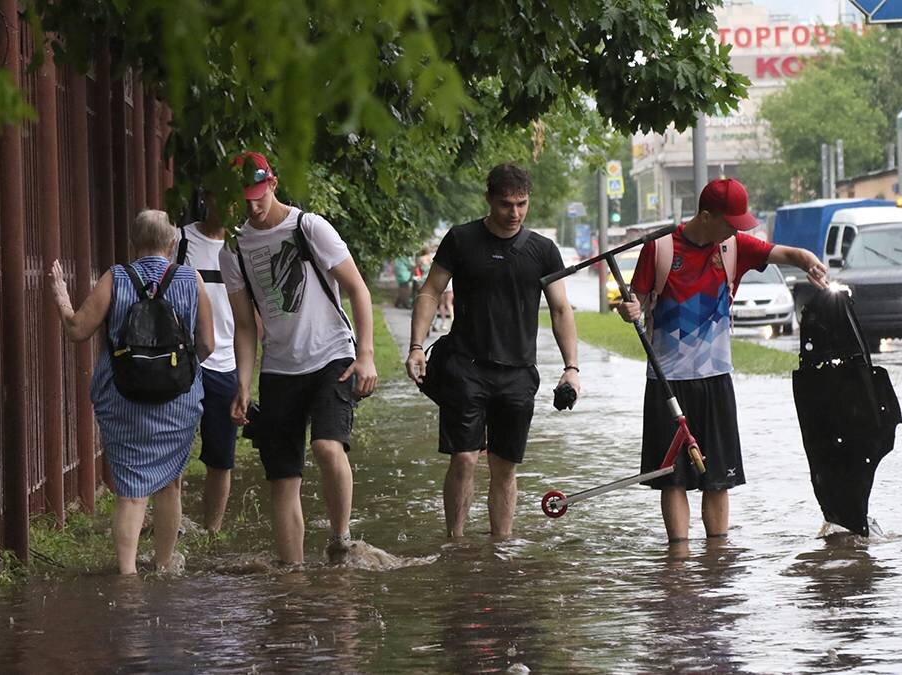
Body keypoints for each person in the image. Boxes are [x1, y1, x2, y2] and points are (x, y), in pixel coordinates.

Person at [615, 178, 828, 543]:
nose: (735, 230)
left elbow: (786, 254)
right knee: (673, 478)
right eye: (730, 222)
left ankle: (717, 560)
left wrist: (806, 258)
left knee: (718, 479)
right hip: (667, 382)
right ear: (705, 216)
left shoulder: (734, 247)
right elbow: (634, 300)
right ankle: (678, 561)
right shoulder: (661, 247)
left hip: (716, 379)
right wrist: (628, 308)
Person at [406, 163, 580, 539]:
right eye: (505, 204)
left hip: (518, 372)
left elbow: (561, 309)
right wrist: (417, 345)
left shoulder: (543, 251)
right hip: (465, 366)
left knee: (504, 467)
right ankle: (456, 543)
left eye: (521, 204)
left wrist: (572, 368)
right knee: (465, 458)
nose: (514, 213)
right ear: (488, 199)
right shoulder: (461, 239)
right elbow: (431, 290)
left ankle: (500, 548)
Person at [219, 152, 378, 564]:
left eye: (258, 195)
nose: (253, 206)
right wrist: (242, 383)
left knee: (327, 447)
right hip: (279, 370)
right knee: (282, 477)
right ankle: (291, 576)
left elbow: (358, 289)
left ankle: (341, 540)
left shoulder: (309, 227)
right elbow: (245, 326)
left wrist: (367, 355)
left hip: (332, 357)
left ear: (272, 183)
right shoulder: (234, 249)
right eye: (245, 199)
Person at [49, 209, 215, 574]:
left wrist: (61, 296)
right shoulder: (191, 279)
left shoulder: (116, 277)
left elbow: (77, 329)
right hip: (178, 402)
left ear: (133, 244)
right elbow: (207, 345)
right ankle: (164, 565)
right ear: (172, 244)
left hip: (122, 398)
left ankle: (127, 575)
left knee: (131, 489)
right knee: (170, 483)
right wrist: (175, 374)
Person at [177, 190, 239, 532]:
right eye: (223, 197)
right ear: (208, 199)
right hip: (182, 361)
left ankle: (211, 531)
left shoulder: (242, 247)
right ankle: (174, 523)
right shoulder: (180, 241)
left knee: (221, 457)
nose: (228, 206)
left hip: (226, 363)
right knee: (175, 450)